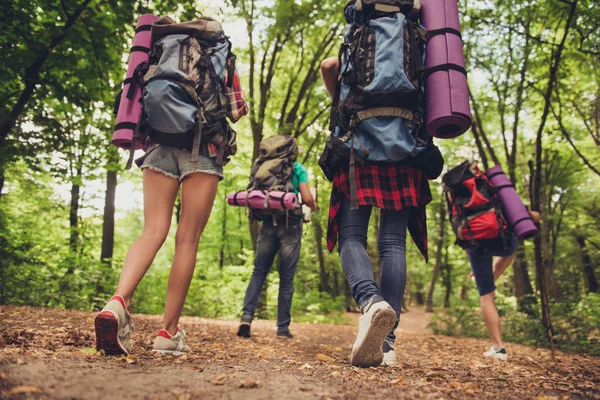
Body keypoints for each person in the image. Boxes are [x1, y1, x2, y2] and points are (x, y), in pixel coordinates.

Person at [320, 57, 433, 367]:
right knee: (393, 242)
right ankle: (387, 344)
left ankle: (371, 302)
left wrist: (344, 99)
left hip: (360, 144)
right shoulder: (418, 44)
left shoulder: (363, 32)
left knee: (352, 235)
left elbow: (328, 65)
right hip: (407, 148)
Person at [237, 148, 317, 339]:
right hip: (291, 225)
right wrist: (313, 206)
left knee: (259, 272)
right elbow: (306, 198)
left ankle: (246, 318)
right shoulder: (297, 168)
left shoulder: (264, 166)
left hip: (267, 224)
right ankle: (282, 328)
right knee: (286, 278)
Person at [467, 210, 541, 361]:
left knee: (486, 294)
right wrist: (534, 214)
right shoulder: (497, 187)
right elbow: (530, 215)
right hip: (505, 241)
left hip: (475, 242)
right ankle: (486, 280)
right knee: (508, 250)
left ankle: (499, 348)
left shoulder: (458, 190)